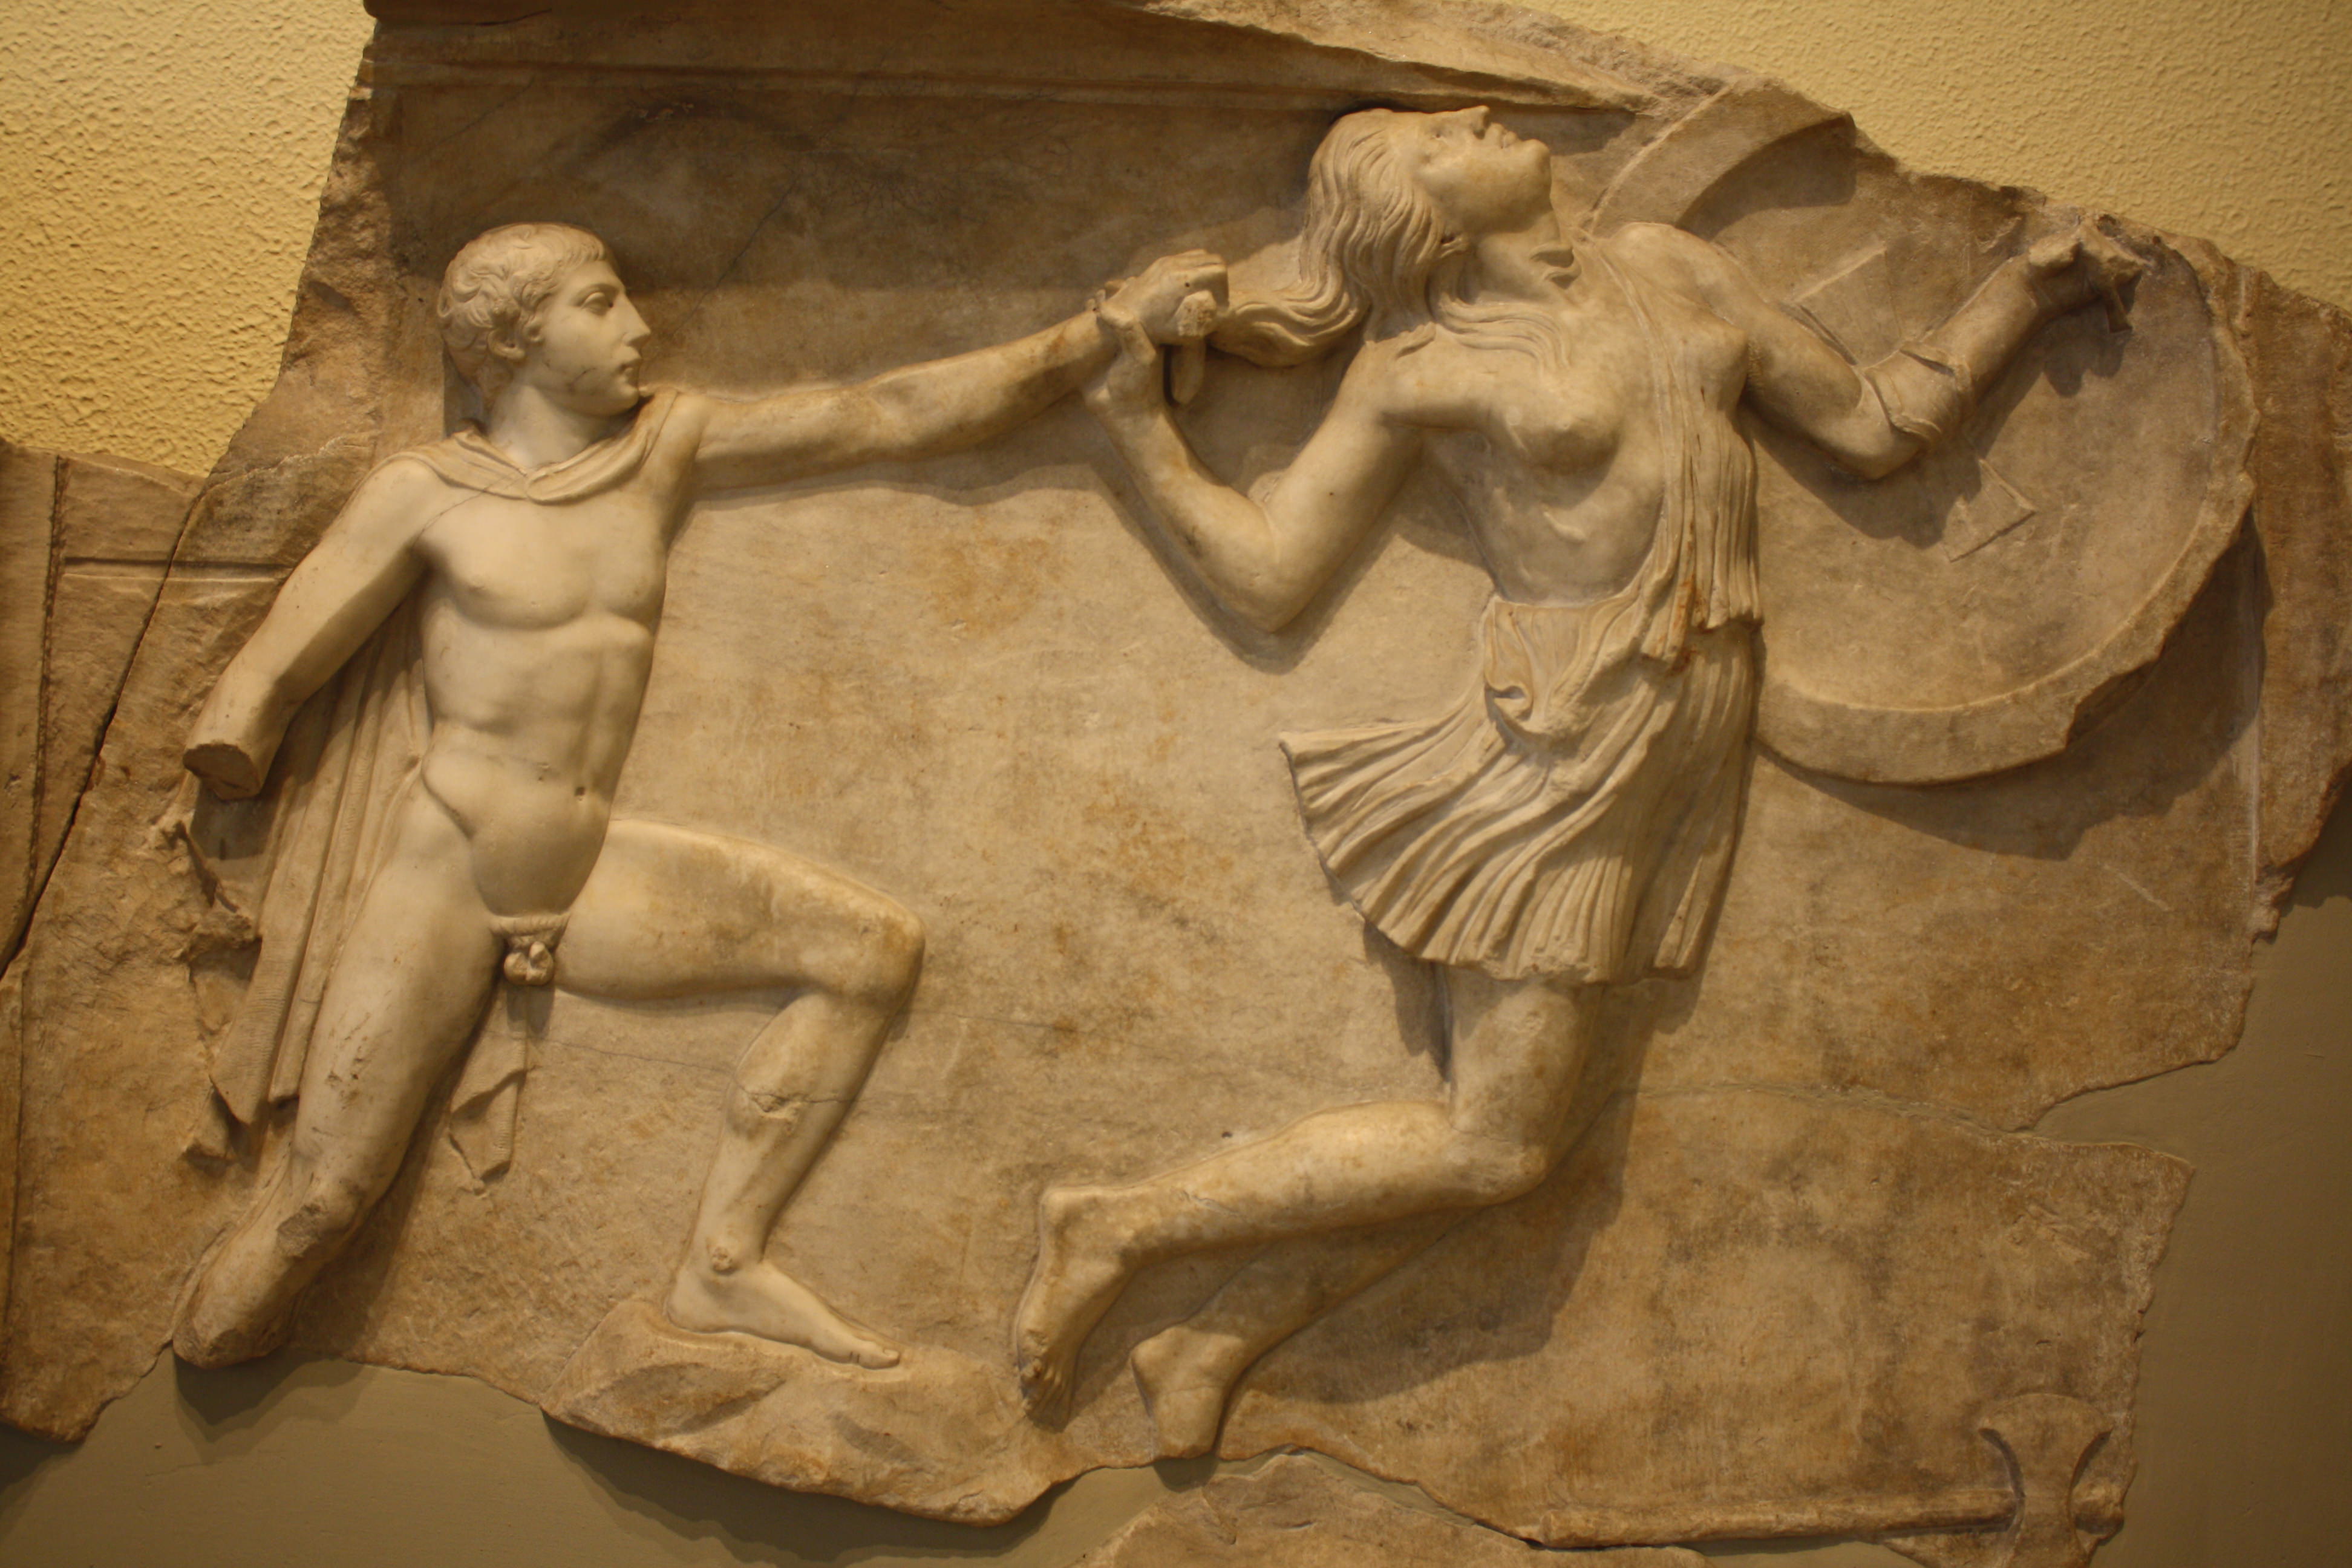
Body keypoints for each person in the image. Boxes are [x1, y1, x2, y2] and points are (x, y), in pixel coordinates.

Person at [1012, 105, 2141, 1453]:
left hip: (1685, 726)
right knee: (1499, 1143)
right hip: (1558, 740)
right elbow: (1270, 573)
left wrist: (2031, 287)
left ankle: (1213, 1342)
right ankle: (1118, 1225)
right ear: (1419, 216)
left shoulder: (1671, 266)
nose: (1477, 115)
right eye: (1440, 135)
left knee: (1526, 1126)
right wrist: (1137, 427)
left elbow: (1878, 423)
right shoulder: (1418, 363)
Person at [173, 221, 1222, 1371]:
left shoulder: (660, 448)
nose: (639, 328)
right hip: (453, 868)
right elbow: (271, 673)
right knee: (323, 1203)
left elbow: (884, 412)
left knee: (867, 951)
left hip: (585, 865)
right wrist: (233, 768)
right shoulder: (424, 493)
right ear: (514, 339)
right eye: (600, 303)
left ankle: (722, 1266)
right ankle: (205, 1349)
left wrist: (1099, 334)